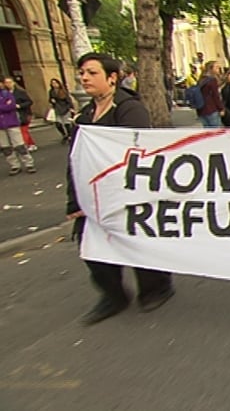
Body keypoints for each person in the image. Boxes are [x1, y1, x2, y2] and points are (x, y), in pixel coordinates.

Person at [66, 52, 175, 326]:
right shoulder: (86, 114)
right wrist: (74, 199)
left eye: (92, 72)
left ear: (112, 78)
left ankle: (156, 287)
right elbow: (76, 159)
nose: (84, 77)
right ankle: (113, 295)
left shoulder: (129, 109)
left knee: (137, 242)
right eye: (82, 73)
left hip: (125, 193)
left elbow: (133, 153)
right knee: (89, 245)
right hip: (92, 195)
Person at [0, 85, 36, 175]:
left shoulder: (6, 94)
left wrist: (4, 107)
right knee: (6, 147)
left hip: (11, 123)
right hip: (0, 126)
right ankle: (14, 165)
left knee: (19, 145)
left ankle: (29, 164)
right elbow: (5, 107)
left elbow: (11, 106)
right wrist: (4, 105)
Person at [3, 76, 36, 151]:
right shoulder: (5, 94)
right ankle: (31, 143)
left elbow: (29, 102)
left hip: (24, 114)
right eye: (6, 83)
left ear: (14, 83)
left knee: (23, 130)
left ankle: (25, 145)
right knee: (22, 130)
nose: (8, 84)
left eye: (10, 82)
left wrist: (19, 105)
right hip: (12, 114)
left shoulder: (20, 92)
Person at [197, 61, 225, 128]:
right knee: (216, 133)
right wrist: (221, 108)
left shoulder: (201, 79)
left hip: (201, 110)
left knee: (208, 133)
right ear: (211, 69)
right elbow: (216, 96)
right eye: (217, 67)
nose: (219, 69)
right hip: (212, 109)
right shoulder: (212, 80)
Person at [48, 78, 76, 143]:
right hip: (57, 109)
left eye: (55, 83)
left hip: (65, 108)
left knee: (67, 123)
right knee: (58, 123)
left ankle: (69, 135)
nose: (54, 85)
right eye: (53, 83)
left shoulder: (63, 90)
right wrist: (51, 101)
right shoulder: (51, 91)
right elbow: (49, 99)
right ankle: (64, 135)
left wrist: (71, 108)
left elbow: (68, 100)